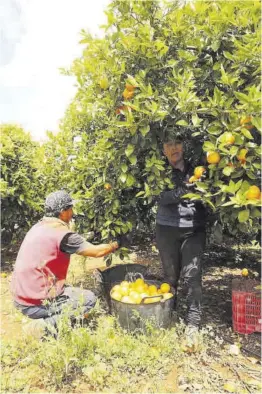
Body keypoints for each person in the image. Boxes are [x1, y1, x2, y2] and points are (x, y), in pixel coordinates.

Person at [11, 190, 118, 336]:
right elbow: (96, 252)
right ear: (63, 212)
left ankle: (46, 316)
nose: (72, 212)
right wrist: (116, 244)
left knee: (72, 293)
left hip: (21, 297)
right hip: (35, 303)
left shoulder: (39, 226)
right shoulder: (62, 235)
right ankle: (42, 327)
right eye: (70, 209)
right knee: (88, 300)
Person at [156, 137, 207, 343]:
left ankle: (193, 323)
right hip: (166, 229)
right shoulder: (158, 173)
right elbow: (161, 197)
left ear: (183, 146)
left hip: (193, 230)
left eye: (177, 143)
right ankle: (169, 314)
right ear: (164, 150)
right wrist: (185, 188)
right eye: (169, 145)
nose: (174, 147)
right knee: (170, 278)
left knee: (192, 277)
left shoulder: (198, 171)